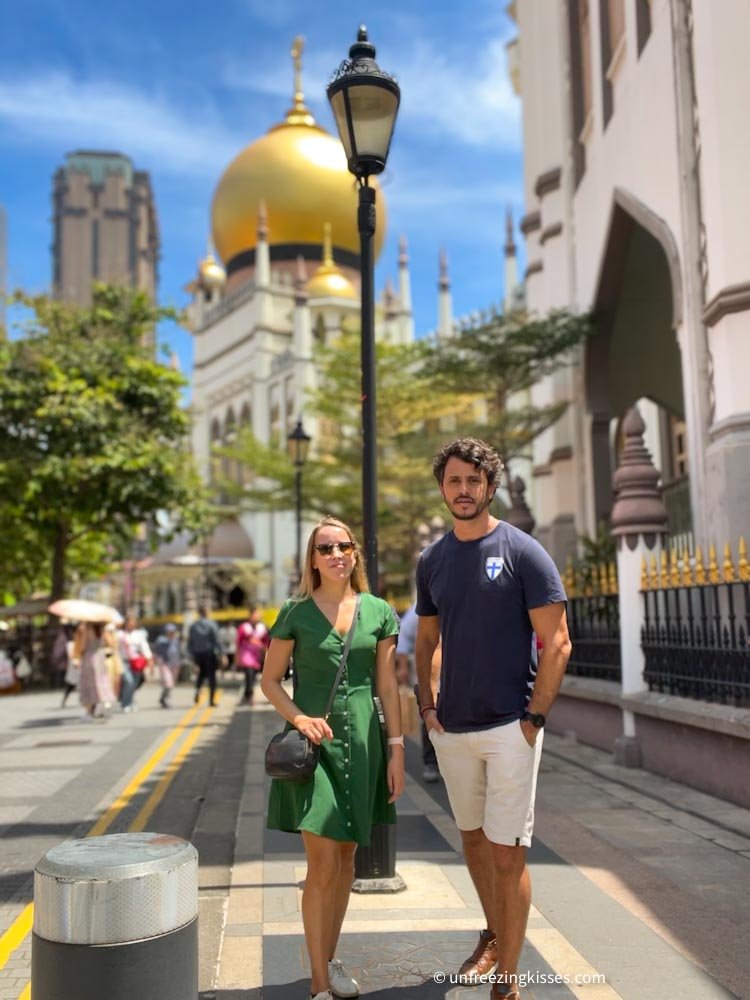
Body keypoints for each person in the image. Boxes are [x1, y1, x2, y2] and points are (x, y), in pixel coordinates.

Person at [415, 438, 571, 1000]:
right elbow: (429, 638)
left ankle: (508, 980)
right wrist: (427, 705)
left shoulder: (524, 551)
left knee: (509, 854)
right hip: (453, 729)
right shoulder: (431, 560)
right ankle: (493, 935)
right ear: (442, 487)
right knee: (475, 842)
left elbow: (557, 641)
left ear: (490, 486)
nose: (463, 490)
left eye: (473, 482)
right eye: (454, 481)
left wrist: (534, 719)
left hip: (511, 726)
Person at [261, 516, 404, 1000]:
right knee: (322, 862)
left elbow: (387, 686)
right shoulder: (295, 612)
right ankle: (320, 986)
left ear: (355, 554)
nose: (336, 554)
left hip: (364, 745)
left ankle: (327, 957)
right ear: (313, 559)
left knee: (346, 859)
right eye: (325, 548)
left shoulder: (380, 611)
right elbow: (269, 680)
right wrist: (299, 719)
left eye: (344, 545)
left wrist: (397, 750)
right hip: (314, 748)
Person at [396, 602, 442, 783]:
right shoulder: (422, 606)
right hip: (429, 668)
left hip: (456, 670)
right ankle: (431, 762)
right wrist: (402, 666)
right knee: (429, 712)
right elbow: (405, 635)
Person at [76, 623, 116, 720]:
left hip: (89, 657)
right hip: (100, 657)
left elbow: (81, 647)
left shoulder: (86, 630)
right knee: (102, 681)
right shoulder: (103, 630)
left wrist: (79, 635)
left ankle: (89, 712)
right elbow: (111, 644)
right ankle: (104, 705)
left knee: (89, 685)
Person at [187, 606, 222, 706]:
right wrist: (222, 654)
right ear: (207, 612)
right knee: (212, 677)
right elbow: (216, 640)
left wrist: (191, 656)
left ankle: (197, 690)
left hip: (197, 654)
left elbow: (190, 642)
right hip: (209, 654)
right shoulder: (212, 624)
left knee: (200, 676)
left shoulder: (193, 626)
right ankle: (211, 700)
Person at [117, 614, 152, 712]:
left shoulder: (139, 634)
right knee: (129, 681)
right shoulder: (119, 634)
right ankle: (125, 703)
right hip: (124, 661)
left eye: (133, 622)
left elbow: (144, 647)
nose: (131, 624)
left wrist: (149, 659)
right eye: (129, 622)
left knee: (134, 684)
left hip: (136, 662)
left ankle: (130, 701)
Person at [236, 605, 269, 705]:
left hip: (259, 656)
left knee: (257, 677)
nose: (258, 616)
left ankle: (247, 694)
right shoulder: (244, 628)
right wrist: (237, 658)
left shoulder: (262, 628)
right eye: (256, 614)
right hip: (247, 657)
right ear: (251, 615)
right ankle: (249, 696)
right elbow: (238, 643)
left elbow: (267, 643)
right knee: (249, 676)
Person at [153, 623, 181, 708]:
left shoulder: (176, 640)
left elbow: (178, 652)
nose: (171, 633)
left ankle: (163, 697)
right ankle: (167, 699)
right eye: (170, 631)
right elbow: (156, 652)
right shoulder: (161, 640)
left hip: (175, 664)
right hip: (165, 663)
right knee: (168, 682)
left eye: (173, 631)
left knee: (171, 683)